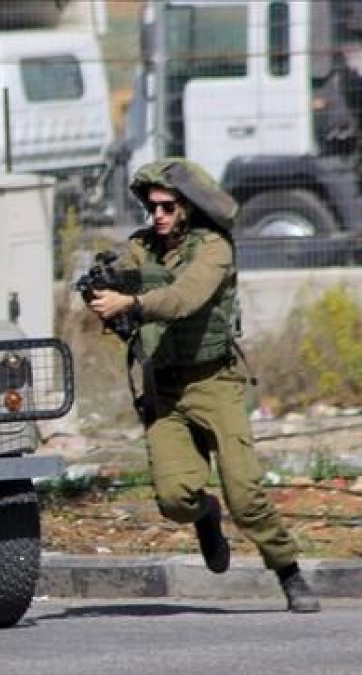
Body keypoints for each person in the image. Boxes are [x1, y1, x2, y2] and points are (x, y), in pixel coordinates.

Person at [86, 158, 320, 613]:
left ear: (188, 208)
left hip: (215, 382)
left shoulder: (214, 249)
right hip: (165, 390)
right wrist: (101, 286)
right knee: (175, 500)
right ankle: (205, 515)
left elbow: (183, 297)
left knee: (247, 495)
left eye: (168, 207)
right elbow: (119, 268)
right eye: (152, 207)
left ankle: (288, 571)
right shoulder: (143, 247)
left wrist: (131, 302)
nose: (158, 216)